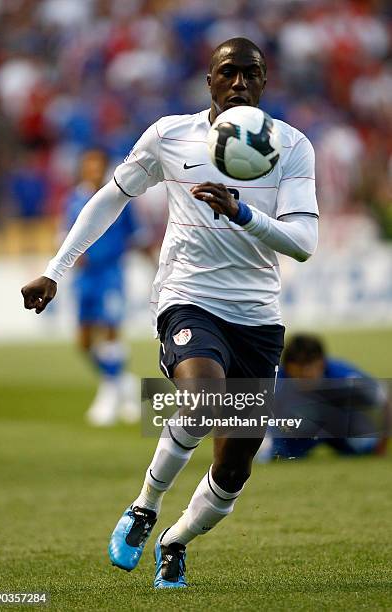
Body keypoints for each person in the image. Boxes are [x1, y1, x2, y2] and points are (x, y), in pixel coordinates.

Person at [21, 38, 319, 589]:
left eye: (251, 74)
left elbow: (303, 241)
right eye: (228, 73)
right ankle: (144, 506)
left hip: (257, 316)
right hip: (188, 299)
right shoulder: (170, 135)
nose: (239, 83)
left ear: (265, 81)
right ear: (209, 81)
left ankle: (174, 540)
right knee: (203, 400)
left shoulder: (291, 146)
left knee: (233, 471)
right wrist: (56, 270)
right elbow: (112, 195)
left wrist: (243, 212)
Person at [64, 148, 144, 426]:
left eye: (99, 164)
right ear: (84, 168)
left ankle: (109, 394)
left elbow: (137, 235)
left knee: (111, 331)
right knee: (83, 342)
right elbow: (66, 234)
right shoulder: (74, 199)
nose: (95, 169)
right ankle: (123, 382)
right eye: (90, 164)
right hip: (85, 279)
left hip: (111, 274)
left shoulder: (120, 198)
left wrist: (155, 262)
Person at [257, 334, 389, 461]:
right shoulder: (275, 381)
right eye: (298, 372)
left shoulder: (343, 376)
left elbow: (384, 398)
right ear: (287, 367)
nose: (304, 375)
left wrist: (382, 444)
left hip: (341, 423)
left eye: (309, 369)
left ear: (321, 363)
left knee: (364, 445)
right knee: (266, 450)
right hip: (294, 431)